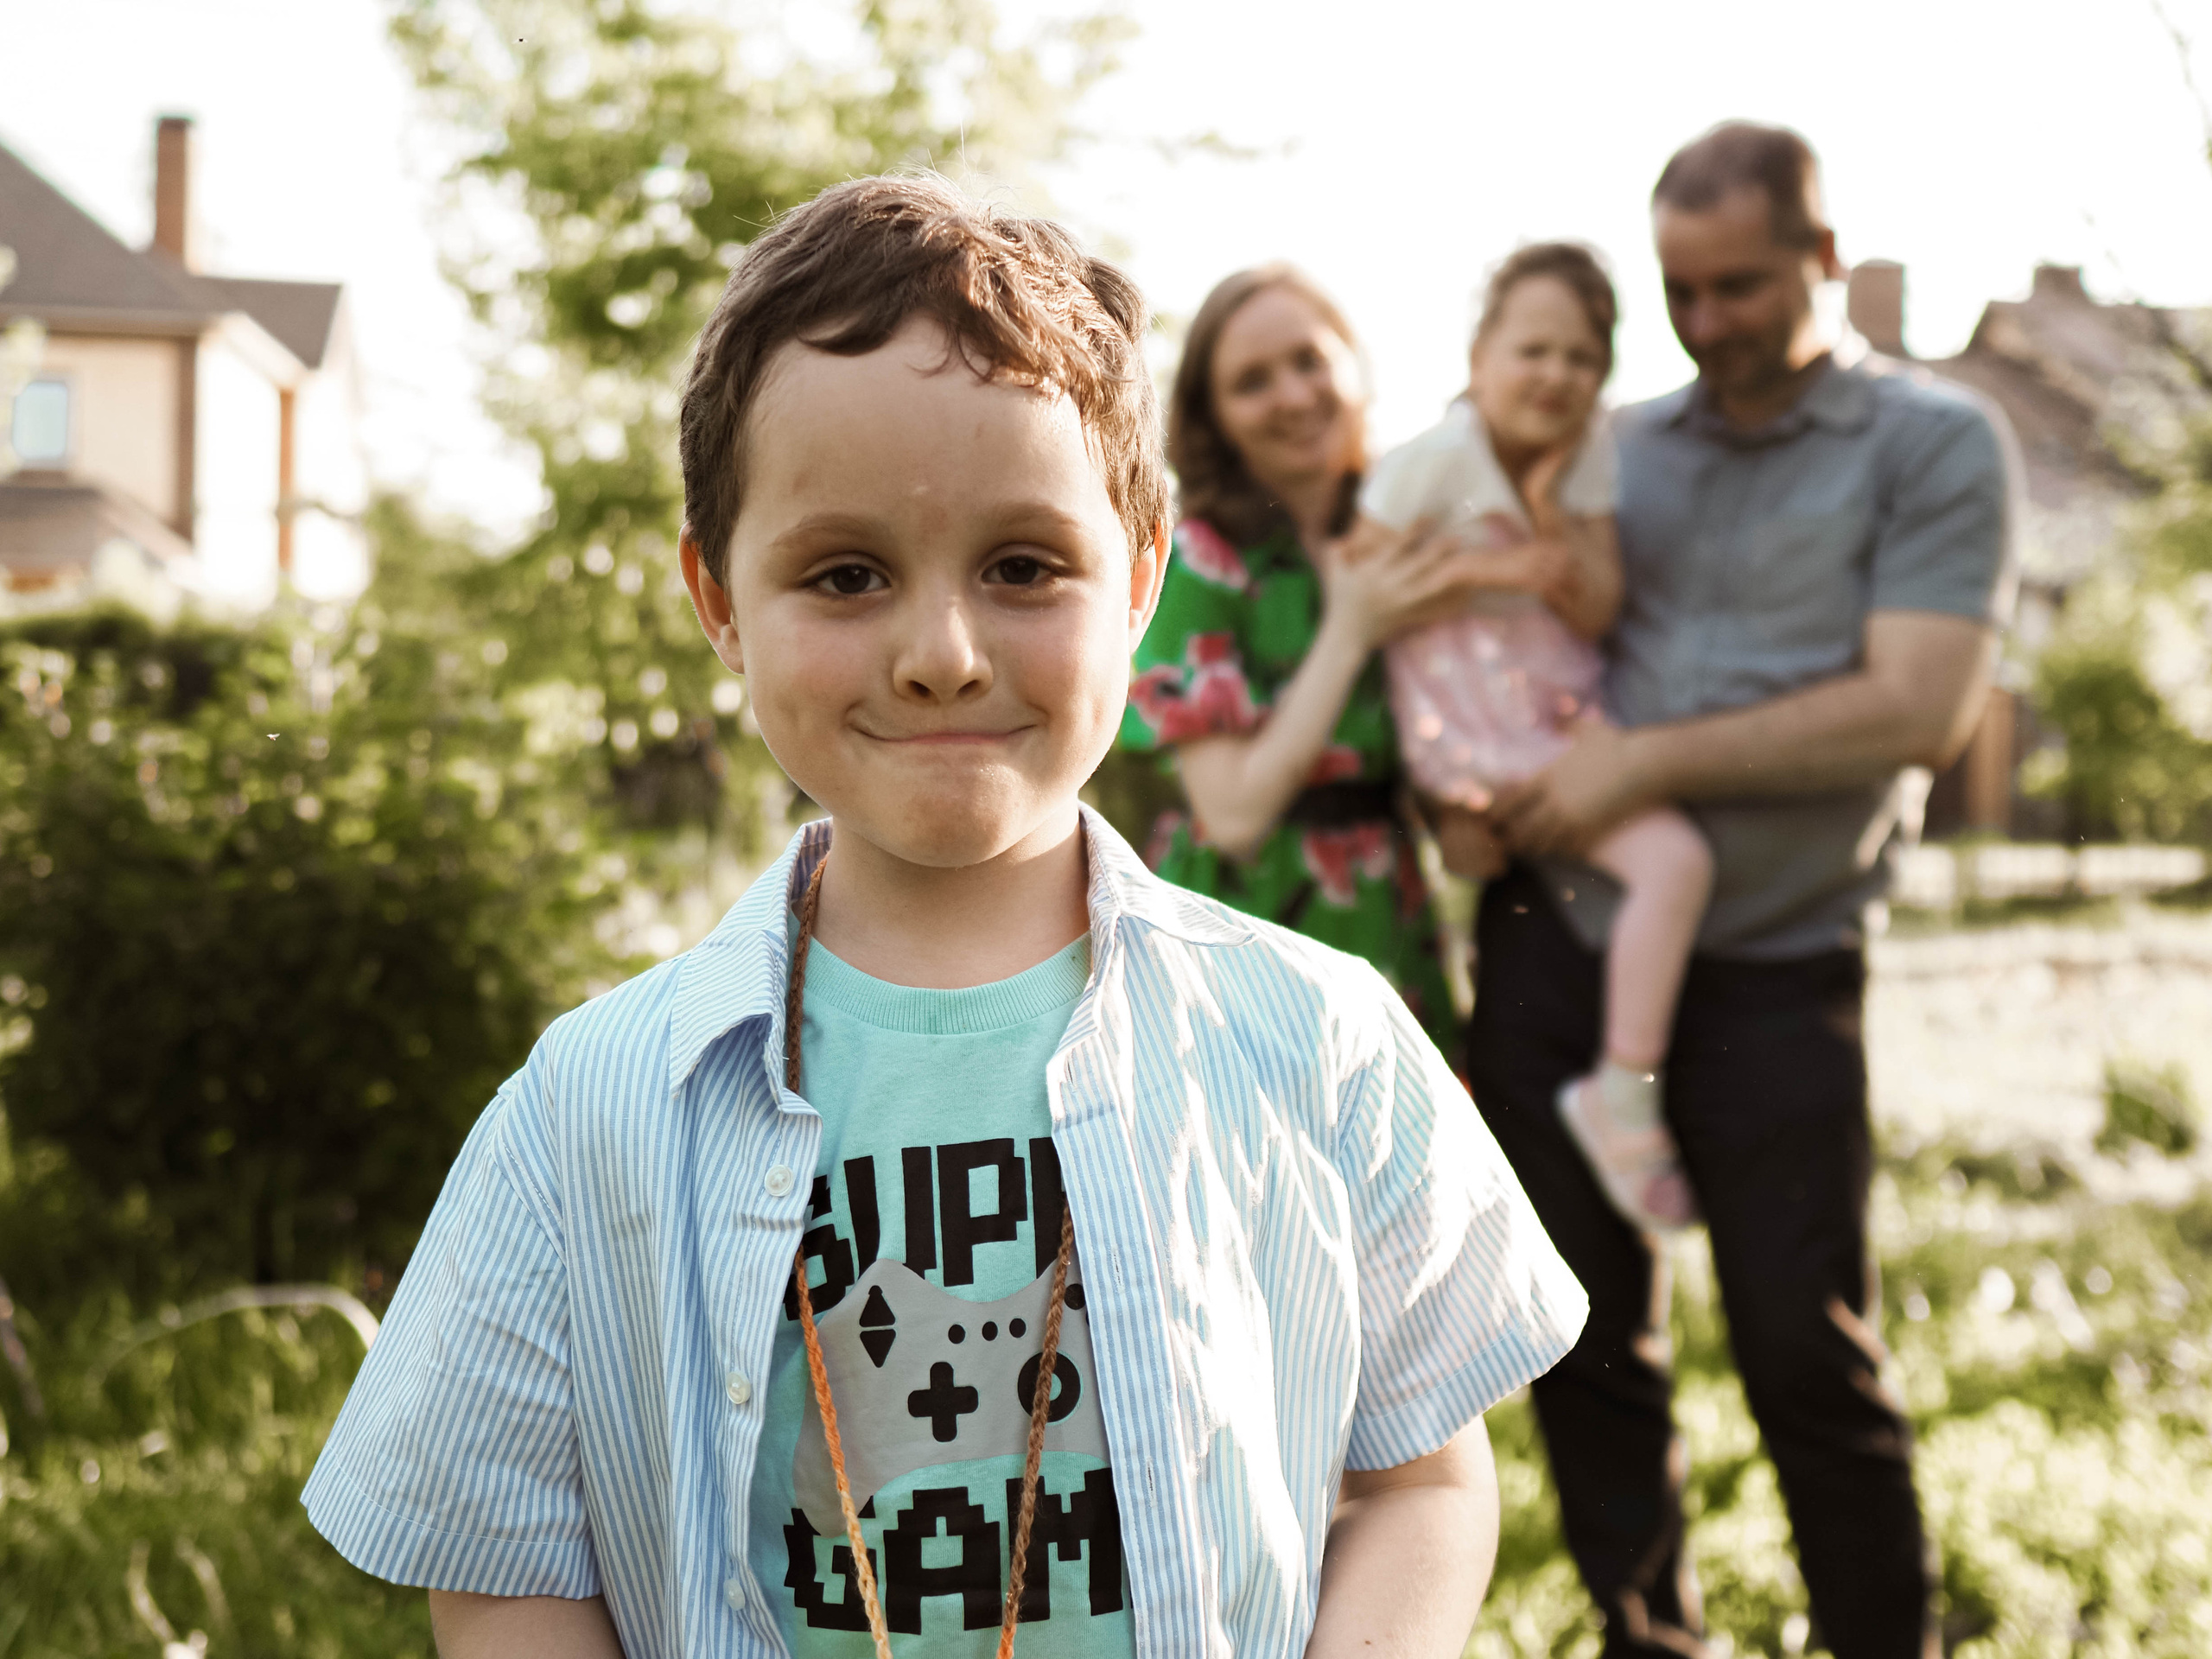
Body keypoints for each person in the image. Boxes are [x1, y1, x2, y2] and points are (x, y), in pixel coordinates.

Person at [302, 176, 1588, 1659]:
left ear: (1145, 578)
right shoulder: (584, 1109)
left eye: (1024, 567)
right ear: (718, 600)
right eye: (845, 575)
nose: (940, 654)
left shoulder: (1324, 1038)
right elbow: (508, 1563)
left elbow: (1422, 1483)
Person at [1465, 124, 2018, 1659]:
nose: (1704, 325)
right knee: (1588, 1344)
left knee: (1803, 1353)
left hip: (1780, 966)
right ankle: (1652, 1639)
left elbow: (1917, 707)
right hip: (1563, 949)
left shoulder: (1936, 442)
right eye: (1679, 292)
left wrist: (1641, 767)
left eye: (1739, 289)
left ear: (1825, 259)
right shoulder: (1618, 443)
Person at [1360, 243, 1709, 1232]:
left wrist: (1556, 517)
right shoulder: (1432, 462)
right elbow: (1362, 591)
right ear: (1478, 357)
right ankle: (1615, 1103)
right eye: (1532, 351)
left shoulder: (1586, 452)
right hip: (1470, 743)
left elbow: (1596, 609)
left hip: (1556, 727)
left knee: (1674, 862)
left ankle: (1623, 1091)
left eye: (1580, 358)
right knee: (1668, 863)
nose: (1555, 376)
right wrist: (1499, 574)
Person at [1117, 266, 1490, 1048]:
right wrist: (1350, 629)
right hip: (1244, 940)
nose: (1292, 395)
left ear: (1355, 367)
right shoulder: (1202, 564)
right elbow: (1235, 817)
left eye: (1309, 361)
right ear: (1214, 416)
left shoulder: (1406, 534)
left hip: (1394, 922)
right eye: (1252, 381)